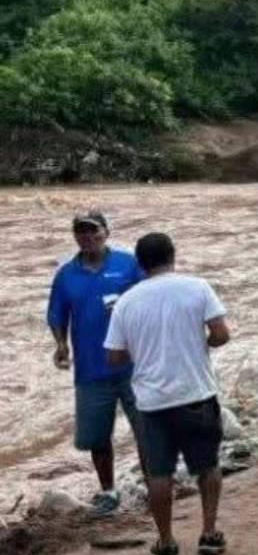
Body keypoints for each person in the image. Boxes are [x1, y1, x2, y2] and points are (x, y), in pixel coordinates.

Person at [104, 233, 230, 555]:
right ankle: (209, 533)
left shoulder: (126, 302)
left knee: (159, 475)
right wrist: (200, 345)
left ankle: (166, 541)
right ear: (173, 255)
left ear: (139, 263)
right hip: (196, 394)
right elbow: (221, 334)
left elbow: (114, 358)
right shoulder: (197, 287)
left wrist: (140, 346)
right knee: (208, 466)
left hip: (151, 402)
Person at [47, 211, 144, 516]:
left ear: (107, 232)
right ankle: (108, 491)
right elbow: (57, 314)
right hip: (90, 369)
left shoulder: (128, 264)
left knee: (147, 428)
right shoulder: (66, 275)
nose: (87, 237)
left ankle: (156, 478)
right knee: (96, 437)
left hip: (134, 366)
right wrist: (61, 344)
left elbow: (150, 300)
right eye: (81, 232)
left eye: (93, 231)